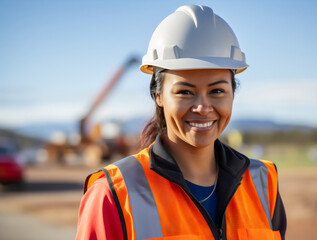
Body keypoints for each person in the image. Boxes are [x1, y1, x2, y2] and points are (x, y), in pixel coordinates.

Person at [76, 5, 286, 240]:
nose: (203, 108)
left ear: (233, 93)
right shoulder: (112, 194)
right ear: (158, 95)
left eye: (217, 91)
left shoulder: (263, 183)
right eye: (185, 92)